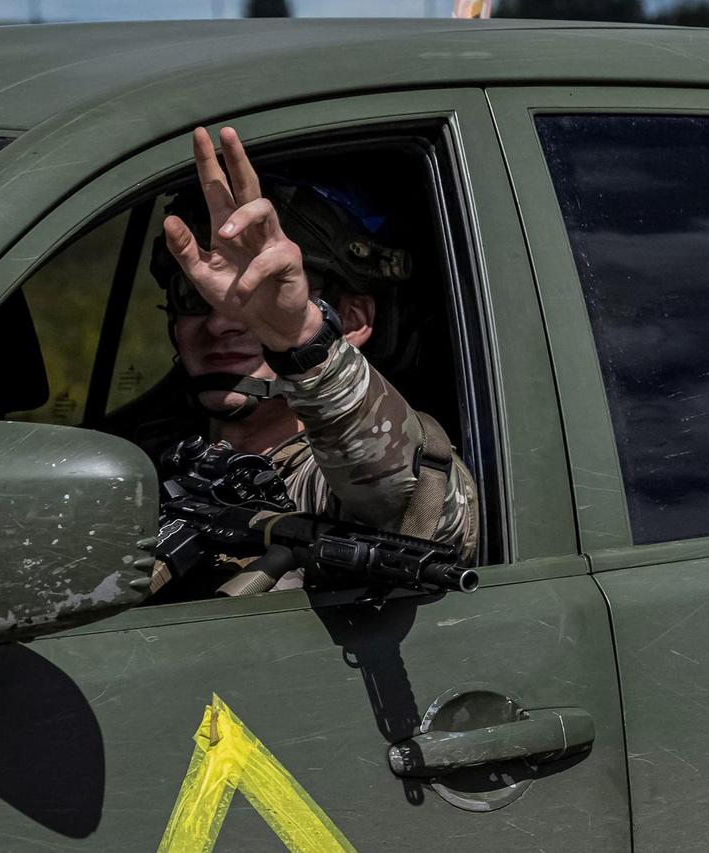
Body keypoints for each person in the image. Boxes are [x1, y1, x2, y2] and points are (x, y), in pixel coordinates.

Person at [151, 127, 478, 595]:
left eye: (261, 296)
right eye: (194, 296)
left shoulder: (330, 485)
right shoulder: (144, 457)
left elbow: (425, 511)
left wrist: (299, 339)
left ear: (351, 321)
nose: (223, 322)